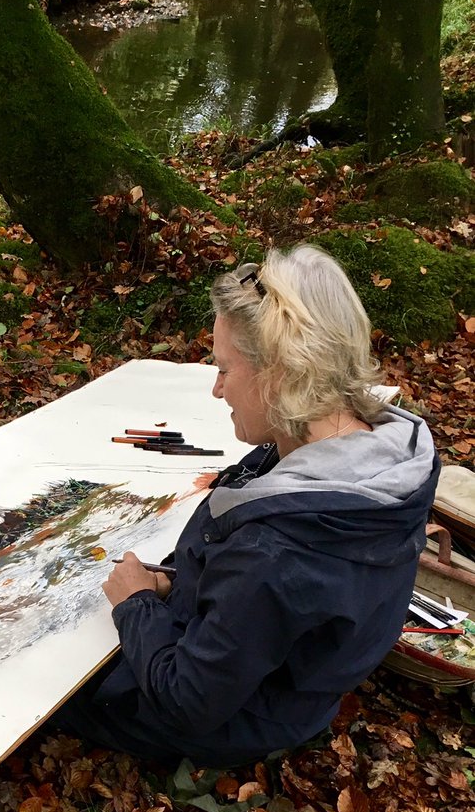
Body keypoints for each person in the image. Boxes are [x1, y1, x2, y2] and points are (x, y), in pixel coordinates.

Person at [56, 244, 440, 768]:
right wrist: (182, 586)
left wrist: (137, 604)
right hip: (288, 684)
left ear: (281, 374)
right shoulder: (385, 456)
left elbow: (187, 702)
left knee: (58, 680)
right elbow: (277, 604)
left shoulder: (278, 548)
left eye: (223, 369)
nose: (216, 390)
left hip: (239, 717)